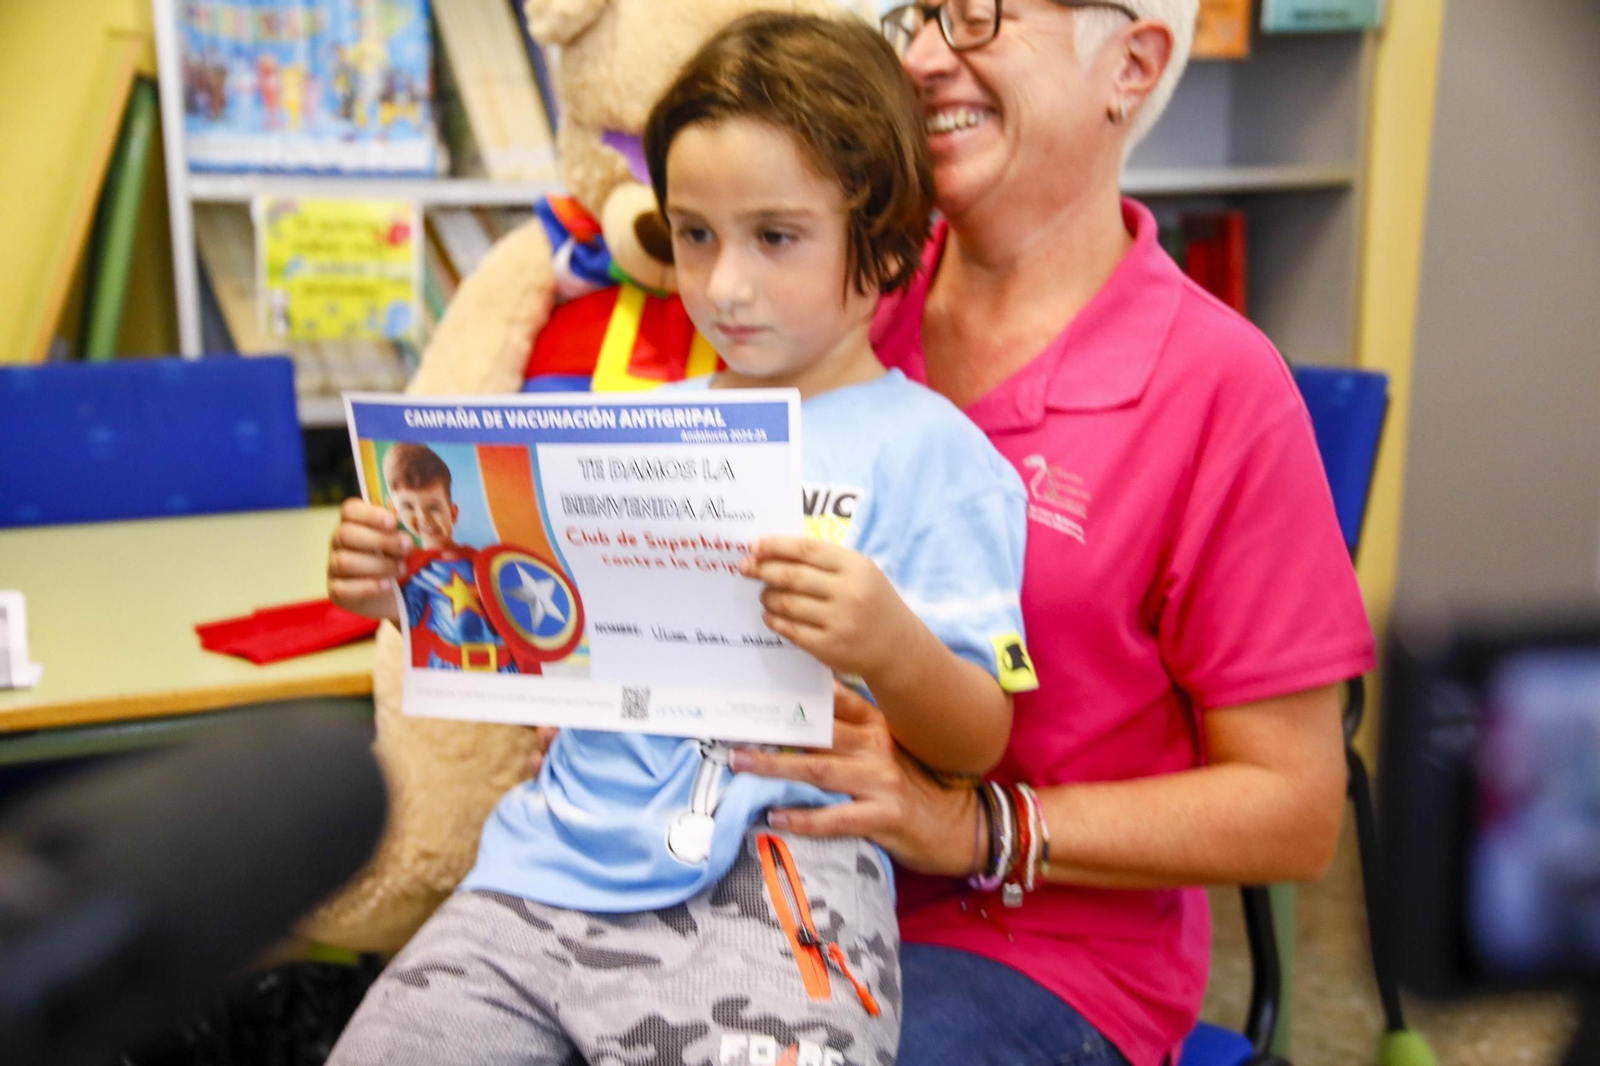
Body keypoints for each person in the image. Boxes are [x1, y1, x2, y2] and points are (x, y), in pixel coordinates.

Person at [323, 13, 1037, 1065]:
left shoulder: (931, 454)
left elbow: (981, 739)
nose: (724, 284)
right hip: (541, 869)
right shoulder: (634, 419)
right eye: (694, 234)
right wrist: (410, 582)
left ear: (883, 244)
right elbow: (539, 628)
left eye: (775, 237)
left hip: (772, 882)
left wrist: (887, 639)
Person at [724, 3, 1375, 1065]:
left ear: (1131, 60)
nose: (926, 57)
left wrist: (977, 829)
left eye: (978, 13)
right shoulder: (824, 293)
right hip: (754, 879)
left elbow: (1296, 811)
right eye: (913, 16)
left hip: (1034, 954)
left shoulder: (1218, 388)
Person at [380, 442, 518, 673]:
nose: (424, 518)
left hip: (504, 665)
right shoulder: (414, 572)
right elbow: (404, 617)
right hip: (450, 666)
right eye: (409, 506)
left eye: (433, 507)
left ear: (453, 512)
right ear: (393, 510)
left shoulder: (482, 562)